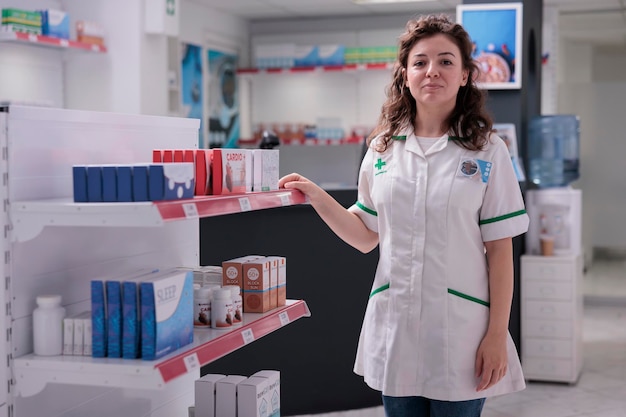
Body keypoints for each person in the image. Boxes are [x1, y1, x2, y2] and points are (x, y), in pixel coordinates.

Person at [278, 13, 529, 417]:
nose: (433, 71)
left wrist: (497, 335)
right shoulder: (381, 150)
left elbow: (500, 251)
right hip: (397, 329)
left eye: (446, 61)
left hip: (462, 331)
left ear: (465, 75)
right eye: (420, 62)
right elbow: (364, 236)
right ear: (405, 75)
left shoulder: (487, 151)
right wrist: (315, 195)